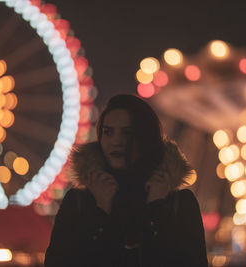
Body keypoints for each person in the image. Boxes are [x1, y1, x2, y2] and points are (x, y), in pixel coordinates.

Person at [44, 94, 208, 267]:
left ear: (147, 137)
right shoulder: (77, 203)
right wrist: (99, 212)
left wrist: (157, 208)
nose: (116, 141)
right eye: (108, 132)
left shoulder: (180, 204)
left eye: (127, 132)